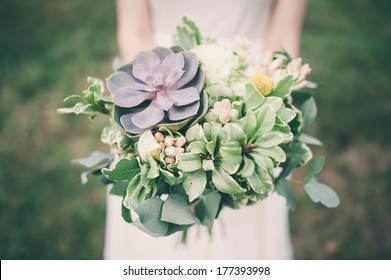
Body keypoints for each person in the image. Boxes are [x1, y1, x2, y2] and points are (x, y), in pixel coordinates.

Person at [104, 0, 308, 259]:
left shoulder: (251, 105)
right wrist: (161, 118)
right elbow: (134, 32)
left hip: (252, 81)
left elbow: (283, 40)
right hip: (157, 97)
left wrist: (251, 109)